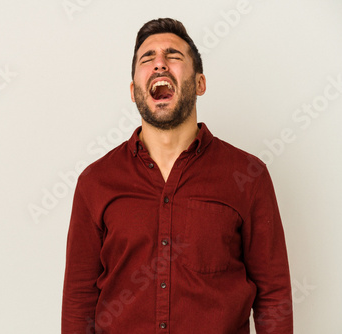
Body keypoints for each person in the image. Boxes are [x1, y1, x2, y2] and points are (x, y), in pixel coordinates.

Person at [61, 18, 293, 334]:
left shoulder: (248, 176)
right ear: (133, 90)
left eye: (173, 56)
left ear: (199, 83)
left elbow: (273, 296)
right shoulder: (96, 182)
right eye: (148, 58)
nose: (159, 64)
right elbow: (79, 301)